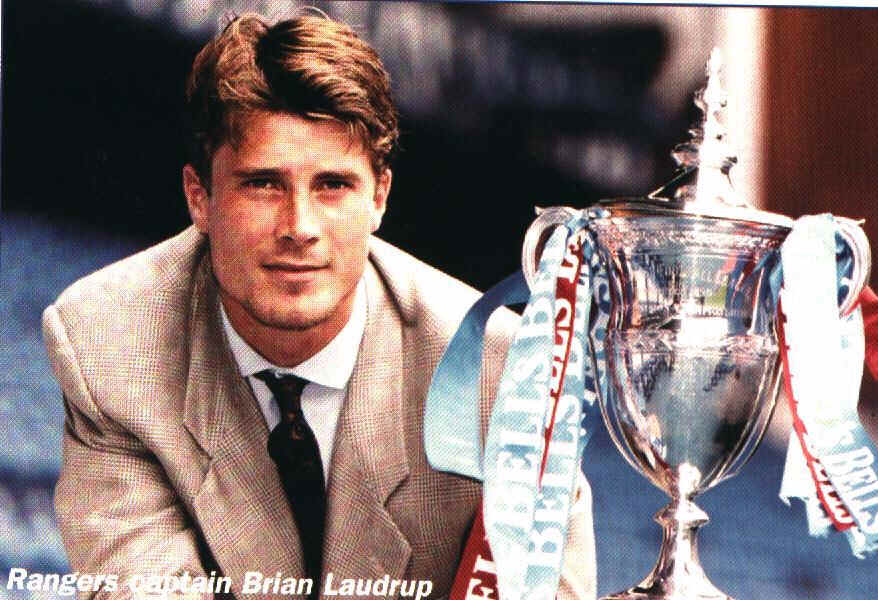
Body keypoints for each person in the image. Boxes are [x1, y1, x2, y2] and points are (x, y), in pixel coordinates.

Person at [42, 12, 596, 599]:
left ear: (379, 196)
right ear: (199, 197)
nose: (299, 228)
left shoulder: (505, 377)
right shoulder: (107, 344)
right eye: (263, 184)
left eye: (332, 185)